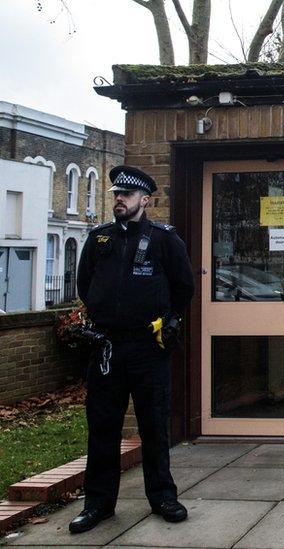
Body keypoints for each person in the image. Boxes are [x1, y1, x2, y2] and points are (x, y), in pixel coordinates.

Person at [70, 166, 194, 534]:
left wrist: (171, 322)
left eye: (126, 195)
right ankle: (98, 504)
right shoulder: (100, 239)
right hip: (107, 348)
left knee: (154, 425)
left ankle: (163, 497)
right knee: (102, 427)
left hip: (147, 349)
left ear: (145, 200)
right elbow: (85, 286)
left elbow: (183, 288)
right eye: (115, 195)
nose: (119, 200)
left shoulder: (163, 239)